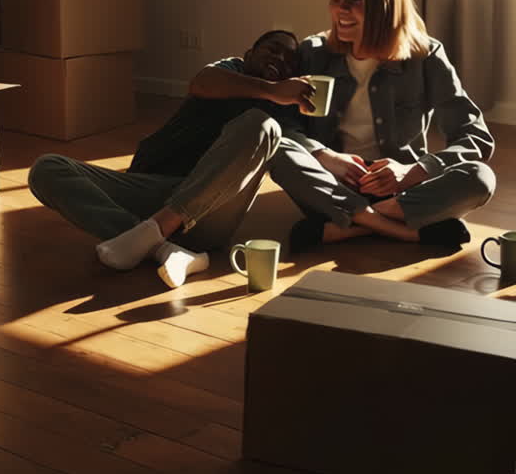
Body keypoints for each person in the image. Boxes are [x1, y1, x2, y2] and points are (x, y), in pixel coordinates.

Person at [28, 30, 314, 288]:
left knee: (263, 125)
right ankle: (163, 249)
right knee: (47, 169)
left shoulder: (285, 108)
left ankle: (156, 231)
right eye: (273, 49)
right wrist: (270, 89)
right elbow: (202, 83)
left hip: (207, 214)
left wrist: (336, 158)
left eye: (290, 61)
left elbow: (302, 148)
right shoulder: (229, 70)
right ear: (250, 53)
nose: (280, 59)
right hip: (151, 190)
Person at [268, 0, 496, 250]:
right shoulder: (314, 53)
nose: (341, 9)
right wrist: (326, 157)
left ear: (386, 6)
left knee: (480, 178)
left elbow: (476, 137)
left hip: (402, 192)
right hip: (331, 185)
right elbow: (283, 124)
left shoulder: (425, 56)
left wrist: (412, 172)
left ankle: (353, 225)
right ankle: (402, 230)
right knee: (273, 143)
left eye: (356, 0)